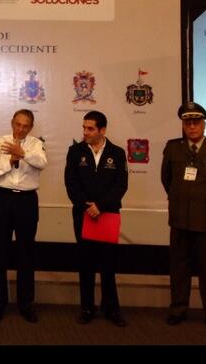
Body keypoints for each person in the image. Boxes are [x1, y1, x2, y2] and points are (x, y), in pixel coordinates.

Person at [161, 101, 206, 331]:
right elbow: (167, 180)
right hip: (180, 219)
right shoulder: (173, 148)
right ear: (183, 126)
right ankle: (177, 310)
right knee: (178, 268)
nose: (192, 127)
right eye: (188, 123)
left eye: (196, 122)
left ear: (204, 125)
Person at [64, 110, 128, 327]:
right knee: (86, 263)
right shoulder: (75, 151)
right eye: (84, 127)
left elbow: (121, 185)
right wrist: (87, 206)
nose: (85, 132)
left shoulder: (117, 153)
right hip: (83, 215)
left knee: (108, 264)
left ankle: (111, 309)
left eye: (90, 128)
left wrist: (101, 206)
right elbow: (71, 183)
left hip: (108, 214)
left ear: (102, 130)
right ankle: (87, 308)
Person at [0, 109, 48, 323]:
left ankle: (26, 303)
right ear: (12, 123)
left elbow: (42, 163)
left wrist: (22, 153)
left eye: (25, 125)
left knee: (26, 252)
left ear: (31, 127)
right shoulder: (0, 142)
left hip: (27, 201)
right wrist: (10, 161)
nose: (20, 129)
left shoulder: (36, 144)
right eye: (18, 124)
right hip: (3, 198)